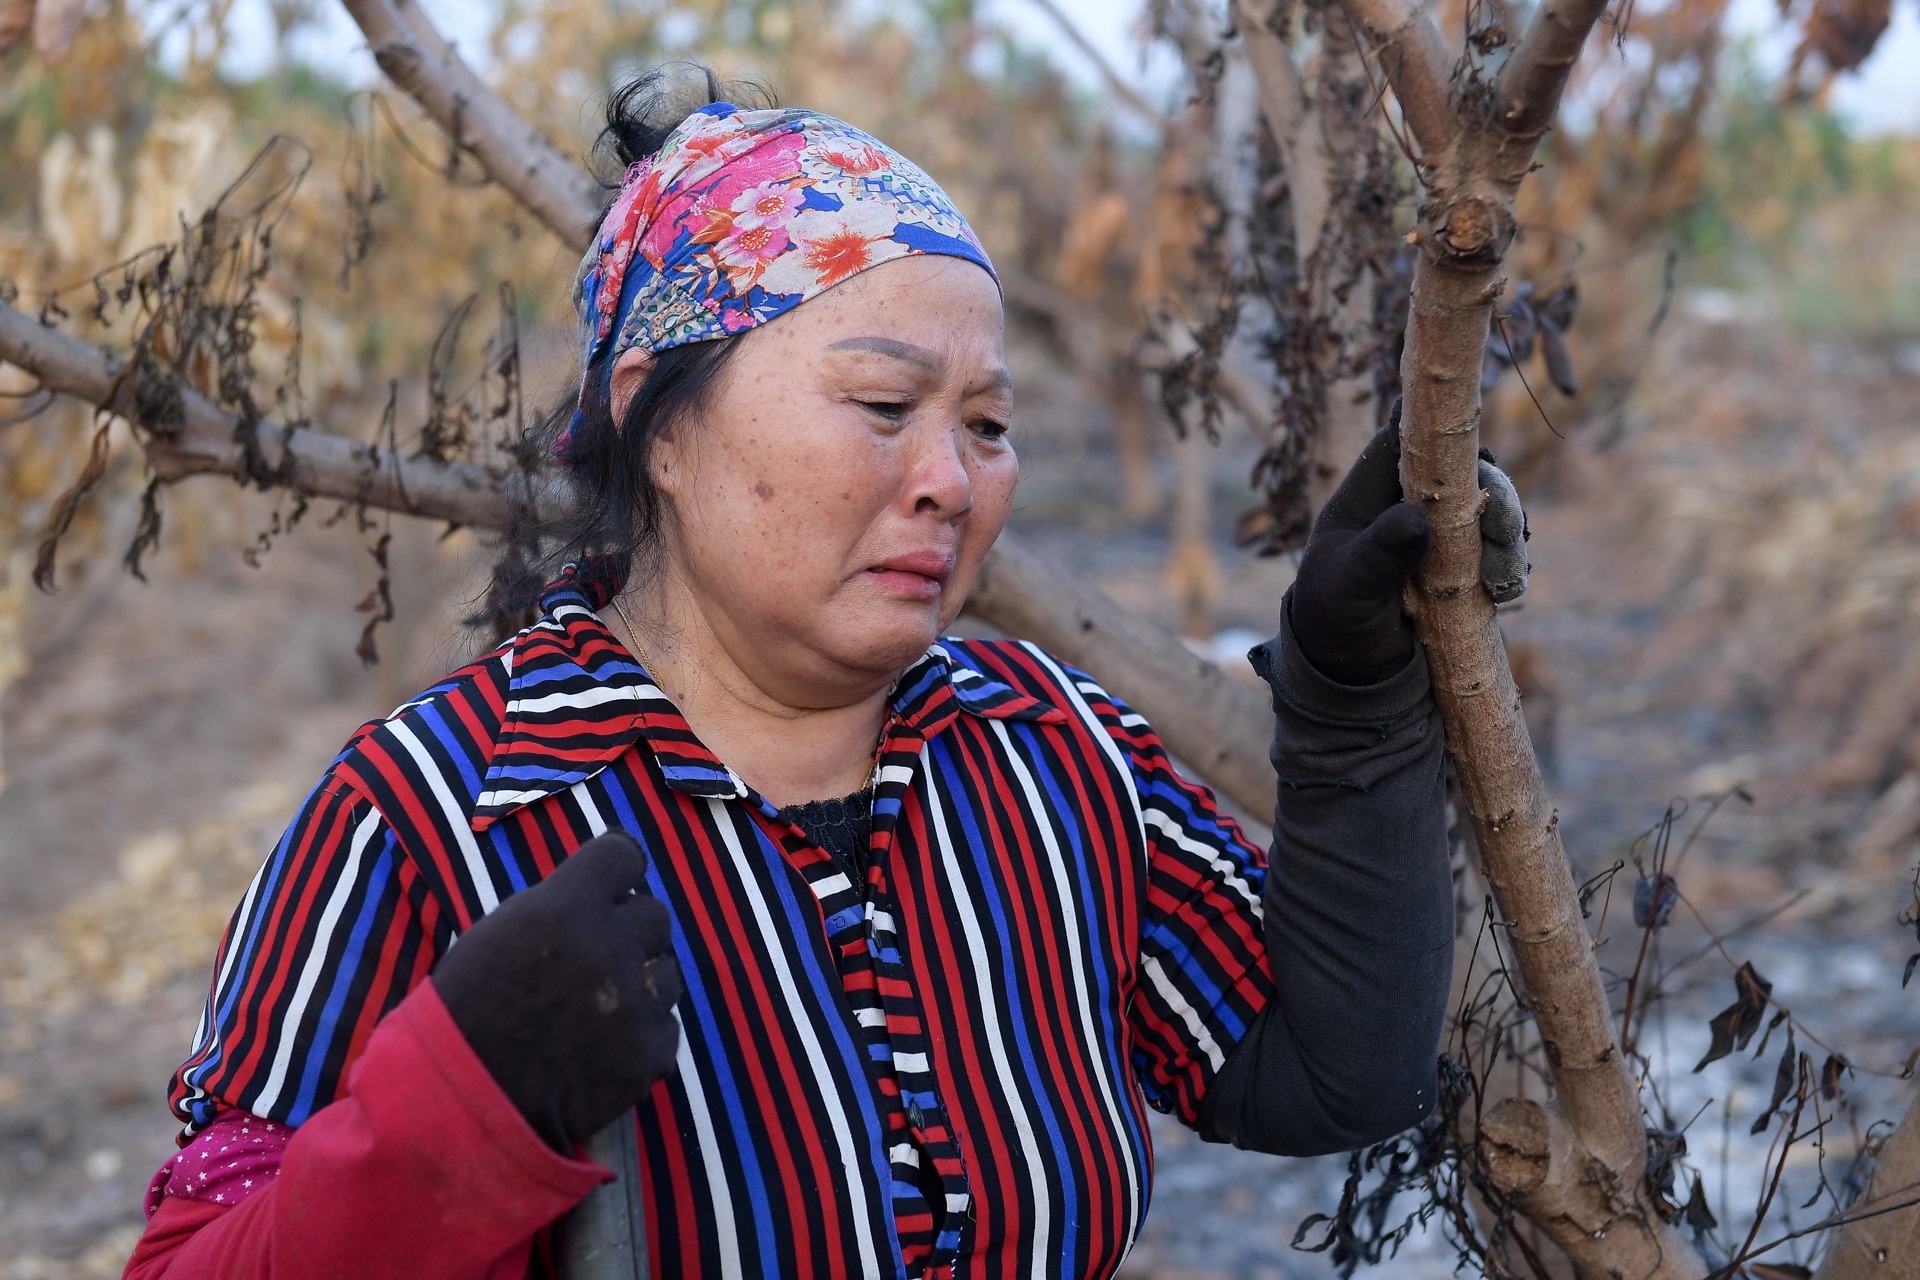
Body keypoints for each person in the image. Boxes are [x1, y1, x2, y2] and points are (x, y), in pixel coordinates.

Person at [123, 74, 1528, 1280]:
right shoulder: (441, 815)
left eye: (986, 423)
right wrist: (466, 1098)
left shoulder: (1049, 755)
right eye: (881, 406)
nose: (949, 480)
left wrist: (1350, 696)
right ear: (655, 423)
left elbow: (1334, 1064)